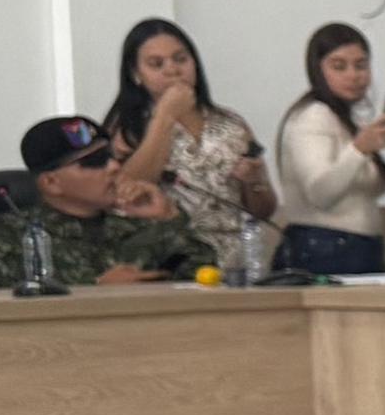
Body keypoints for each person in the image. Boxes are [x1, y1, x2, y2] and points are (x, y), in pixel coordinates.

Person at [101, 18, 276, 270]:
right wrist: (165, 118)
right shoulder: (126, 126)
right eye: (156, 64)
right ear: (136, 74)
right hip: (170, 255)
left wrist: (256, 181)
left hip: (235, 259)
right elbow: (125, 192)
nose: (172, 70)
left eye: (181, 59)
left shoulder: (232, 123)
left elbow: (263, 211)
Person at [0, 116, 202, 289]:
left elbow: (202, 273)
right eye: (95, 162)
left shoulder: (132, 227)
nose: (114, 167)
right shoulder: (8, 236)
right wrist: (95, 289)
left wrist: (168, 219)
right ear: (51, 183)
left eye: (111, 156)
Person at [271, 24, 385, 277]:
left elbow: (371, 189)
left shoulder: (345, 119)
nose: (354, 75)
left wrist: (377, 148)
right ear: (317, 69)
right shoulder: (314, 116)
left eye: (361, 65)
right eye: (339, 66)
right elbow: (321, 193)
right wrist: (360, 149)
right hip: (323, 249)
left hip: (359, 247)